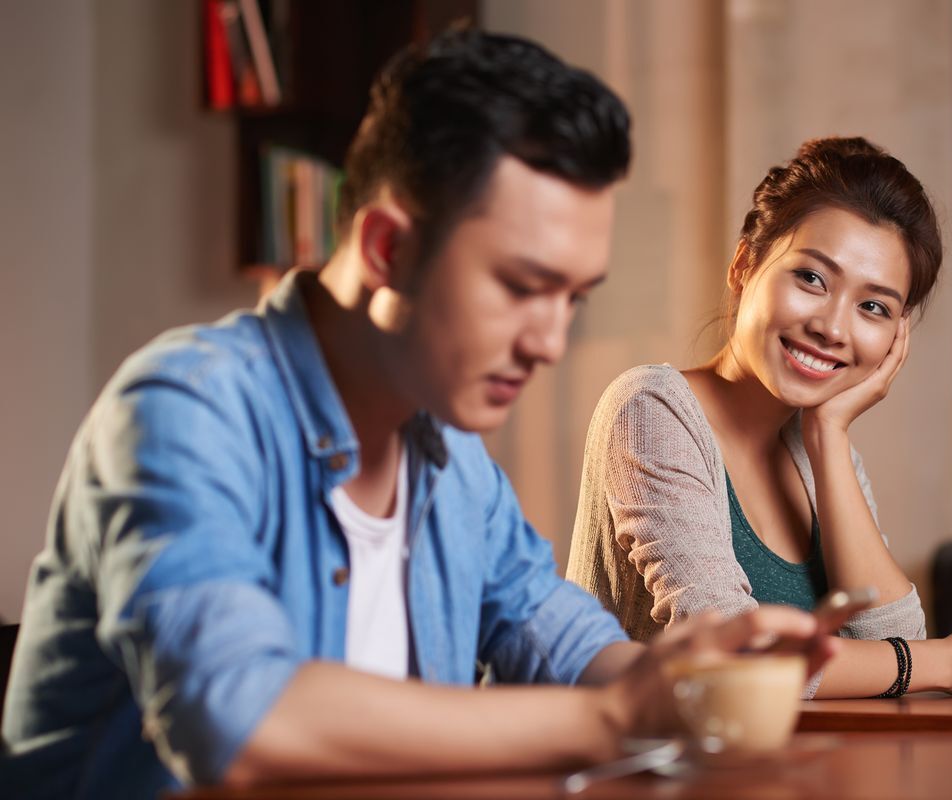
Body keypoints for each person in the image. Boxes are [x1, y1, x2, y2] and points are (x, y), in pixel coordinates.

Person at [0, 30, 835, 798]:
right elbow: (240, 717)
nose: (551, 343)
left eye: (573, 298)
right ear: (387, 250)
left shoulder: (450, 455)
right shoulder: (185, 409)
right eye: (520, 286)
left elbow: (567, 645)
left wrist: (695, 675)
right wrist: (618, 718)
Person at [567, 136, 952, 698]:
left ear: (896, 337)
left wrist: (829, 433)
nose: (833, 328)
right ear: (744, 267)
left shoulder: (818, 446)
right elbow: (735, 661)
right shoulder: (651, 411)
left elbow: (895, 638)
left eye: (873, 307)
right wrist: (942, 663)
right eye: (811, 278)